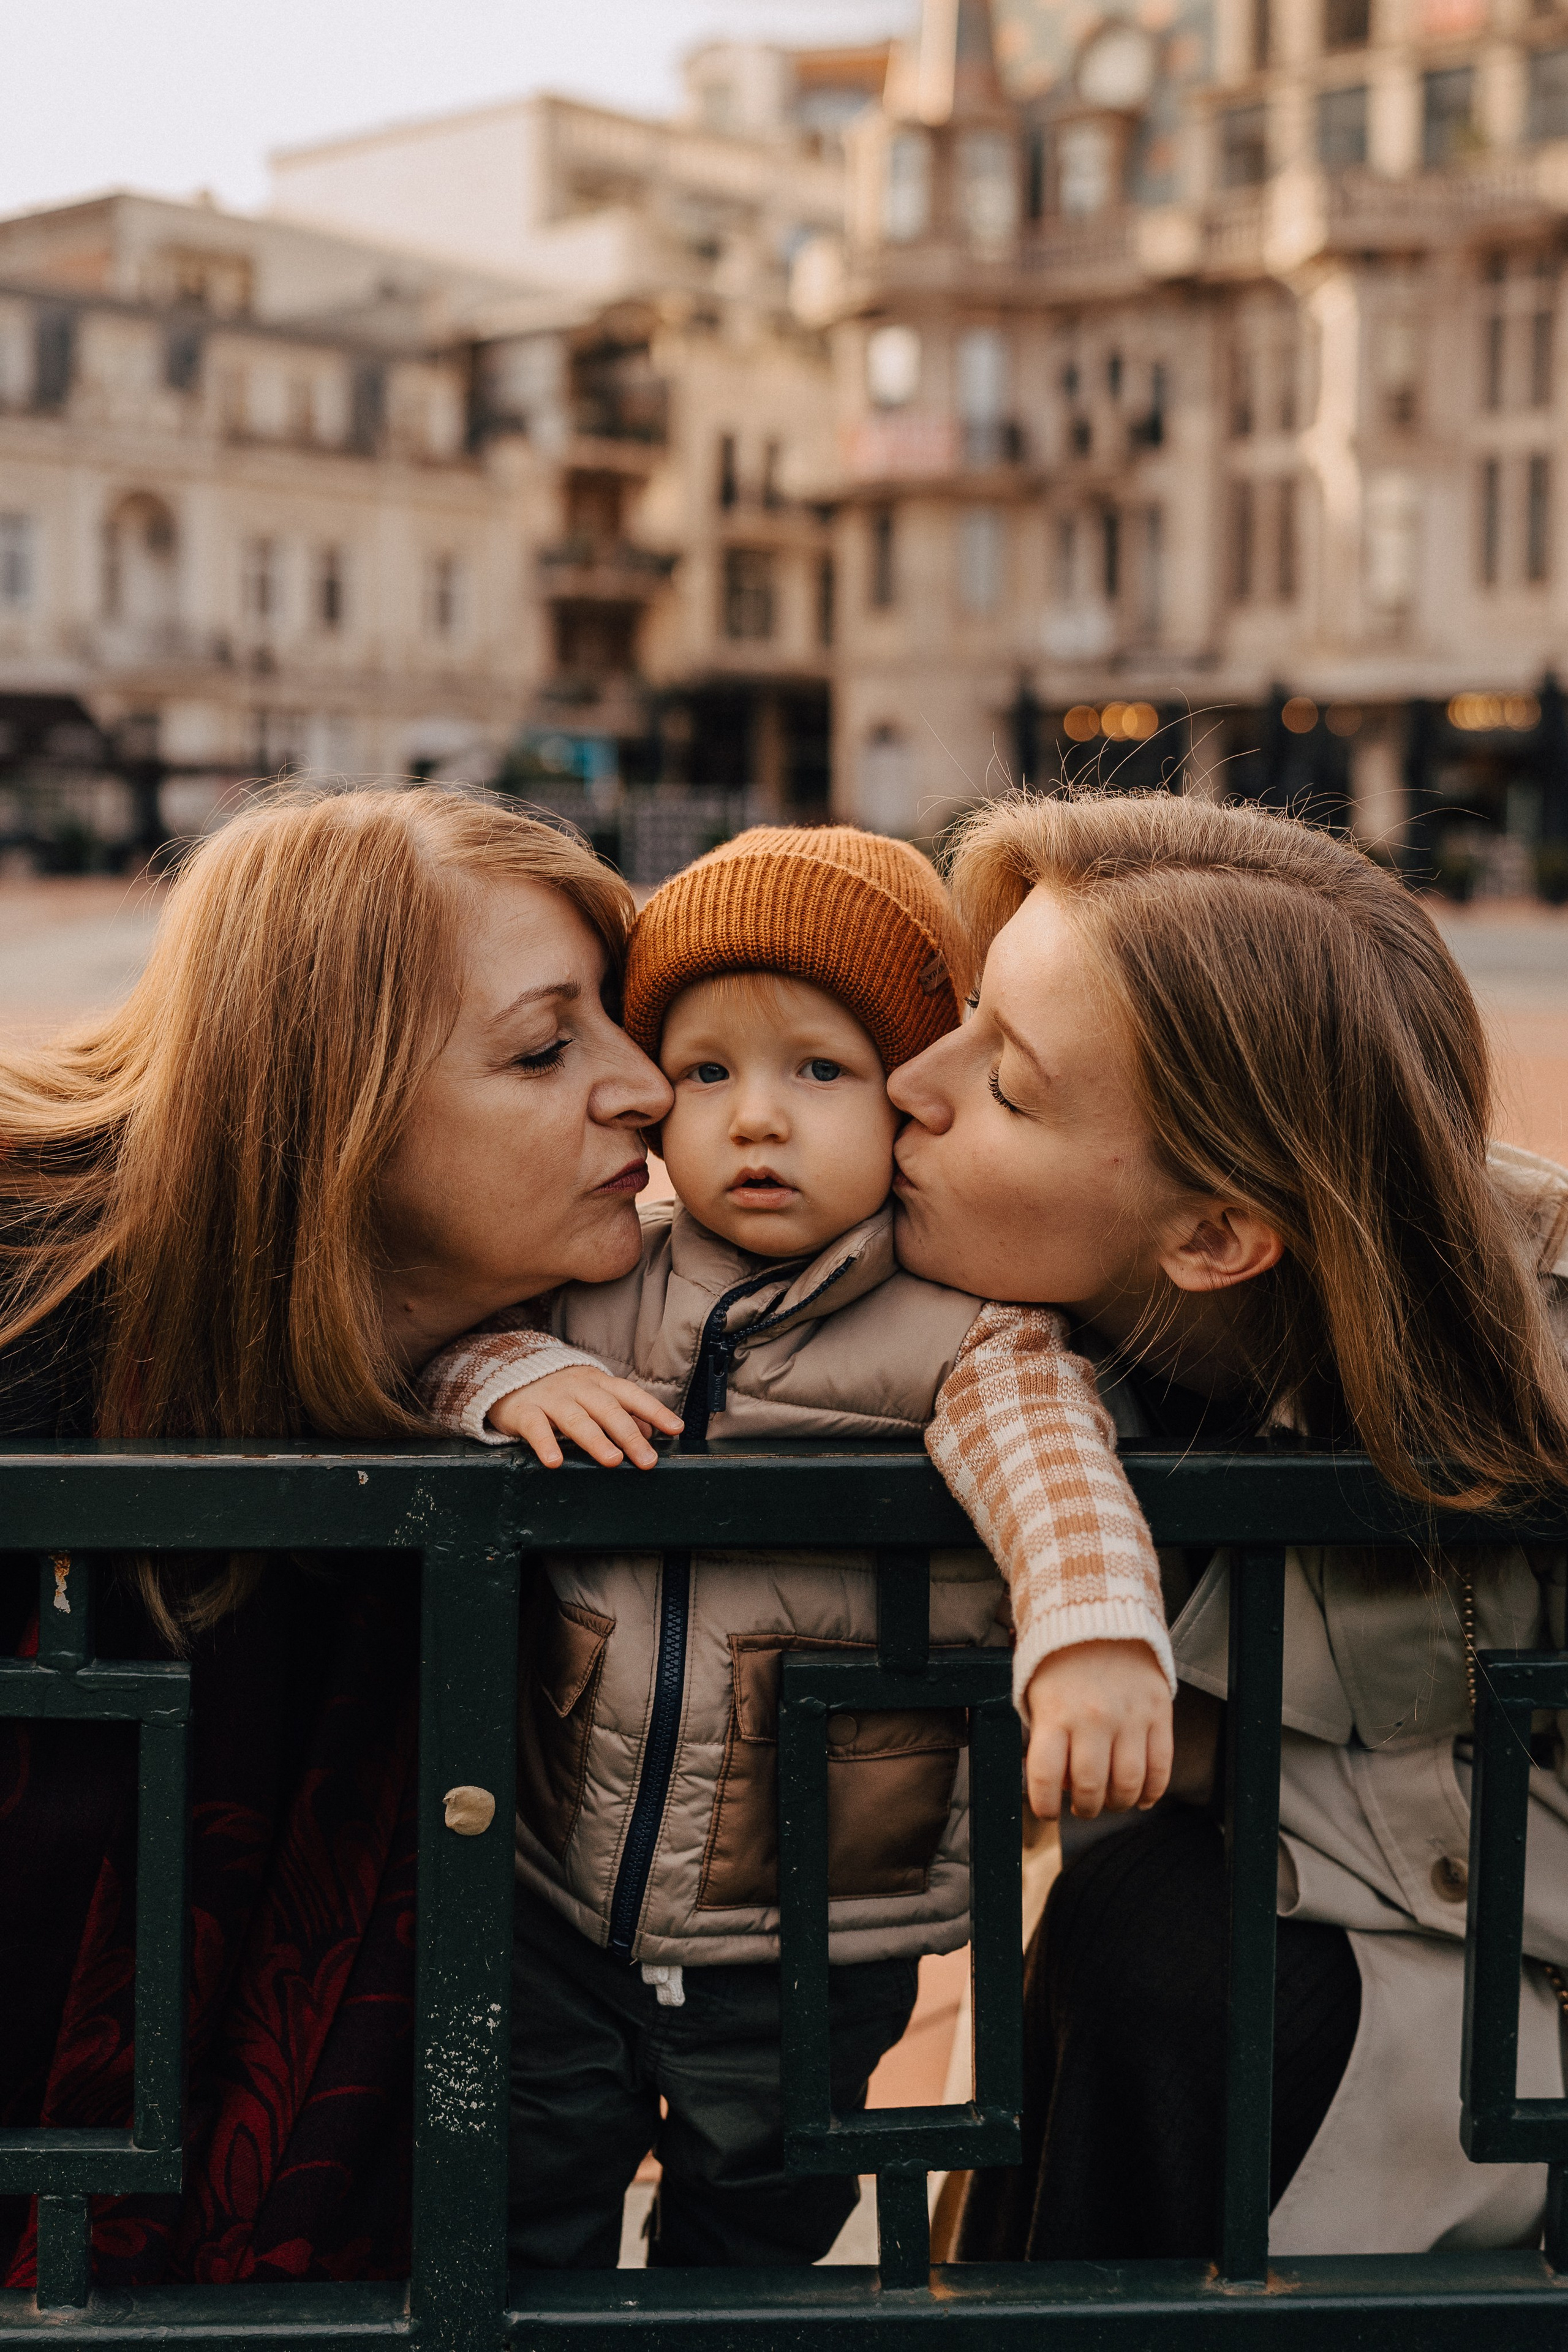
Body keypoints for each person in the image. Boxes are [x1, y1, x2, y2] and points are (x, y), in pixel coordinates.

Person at [417, 824, 1175, 2267]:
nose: (753, 1119)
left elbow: (1053, 1466)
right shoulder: (598, 1278)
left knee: (759, 2225)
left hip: (821, 1924)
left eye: (816, 1072)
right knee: (528, 2210)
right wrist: (507, 1381)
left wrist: (1088, 1634)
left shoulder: (963, 1328)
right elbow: (428, 1359)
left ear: (908, 1096)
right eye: (705, 1073)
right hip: (558, 1899)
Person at [861, 788, 1568, 2261]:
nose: (909, 1084)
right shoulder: (916, 1308)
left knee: (1163, 1938)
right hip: (1240, 2019)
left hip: (1468, 2036)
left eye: (1007, 1085)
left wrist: (1227, 1763)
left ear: (1213, 1237)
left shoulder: (1531, 1354)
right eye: (968, 1017)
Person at [0, 783, 671, 2288]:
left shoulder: (632, 1336)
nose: (647, 1090)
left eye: (623, 1025)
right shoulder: (28, 1291)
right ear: (330, 1102)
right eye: (544, 1046)